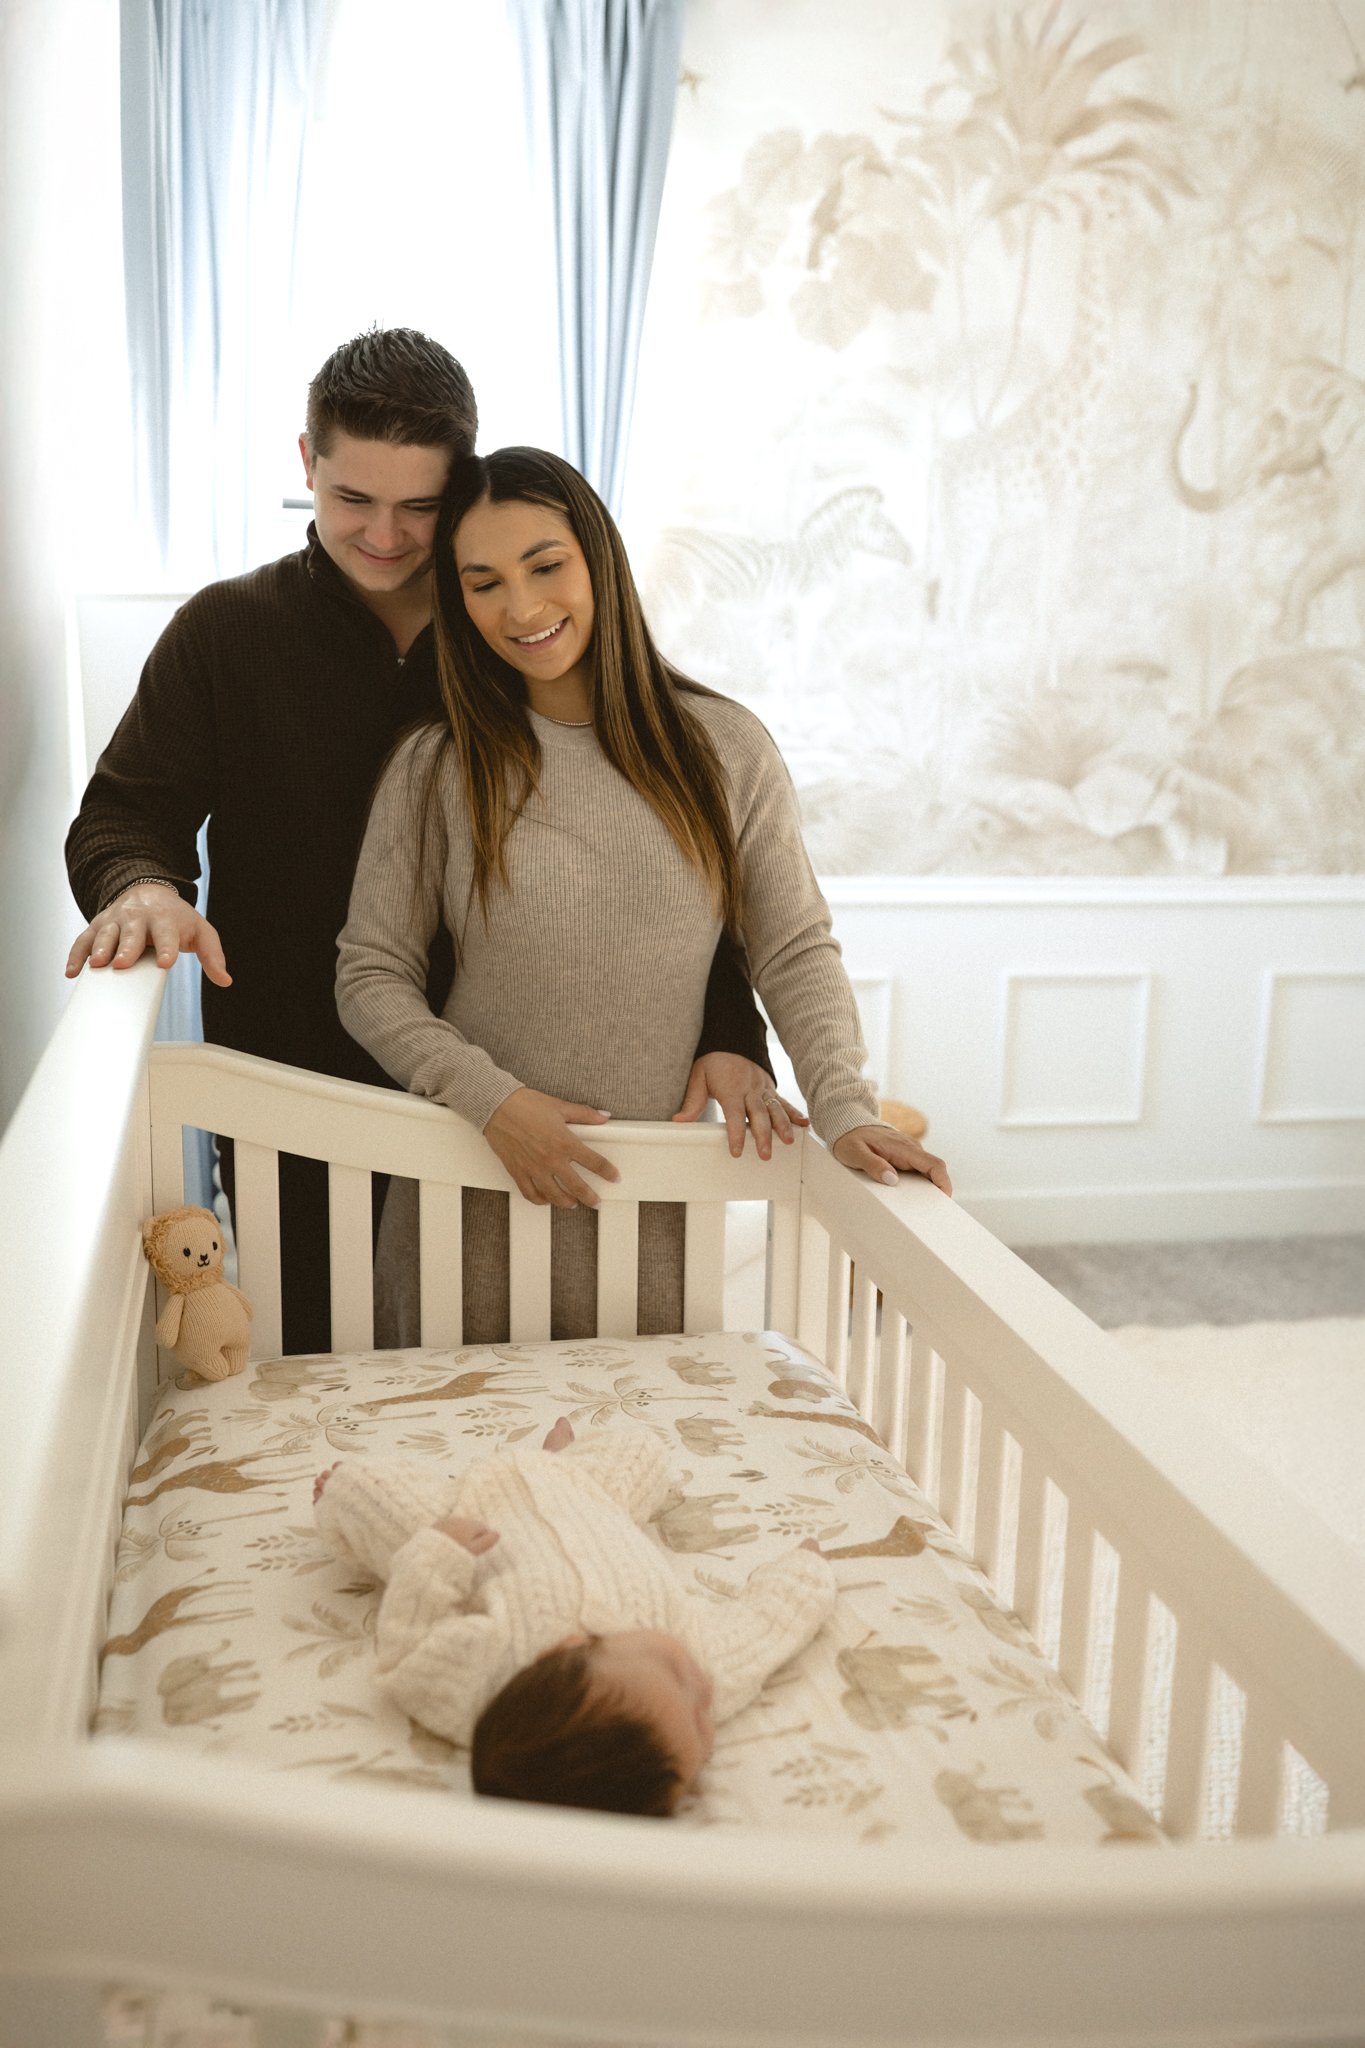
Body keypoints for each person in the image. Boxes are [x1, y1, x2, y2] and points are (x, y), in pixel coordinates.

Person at [63, 330, 793, 1351]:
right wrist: (138, 882)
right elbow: (122, 810)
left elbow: (667, 847)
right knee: (313, 1380)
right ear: (306, 462)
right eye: (353, 499)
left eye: (419, 506)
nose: (387, 536)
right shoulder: (225, 632)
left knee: (519, 1385)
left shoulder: (515, 631)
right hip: (293, 1096)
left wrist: (731, 1025)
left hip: (509, 1102)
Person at [335, 446, 951, 1342]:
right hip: (465, 1186)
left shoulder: (725, 749)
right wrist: (493, 1102)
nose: (521, 608)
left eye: (545, 566)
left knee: (641, 1468)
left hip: (650, 1204)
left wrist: (846, 1105)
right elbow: (368, 974)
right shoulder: (438, 766)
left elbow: (792, 948)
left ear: (599, 558)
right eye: (483, 583)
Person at [313, 1419, 836, 1816]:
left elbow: (408, 1645)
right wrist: (806, 1570)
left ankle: (341, 1494)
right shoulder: (704, 1666)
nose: (704, 1696)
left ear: (560, 1650)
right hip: (593, 1501)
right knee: (642, 1448)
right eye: (702, 1728)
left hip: (469, 1520)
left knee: (365, 1494)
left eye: (685, 1690)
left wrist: (436, 1556)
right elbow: (767, 1624)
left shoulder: (484, 1684)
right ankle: (558, 1461)